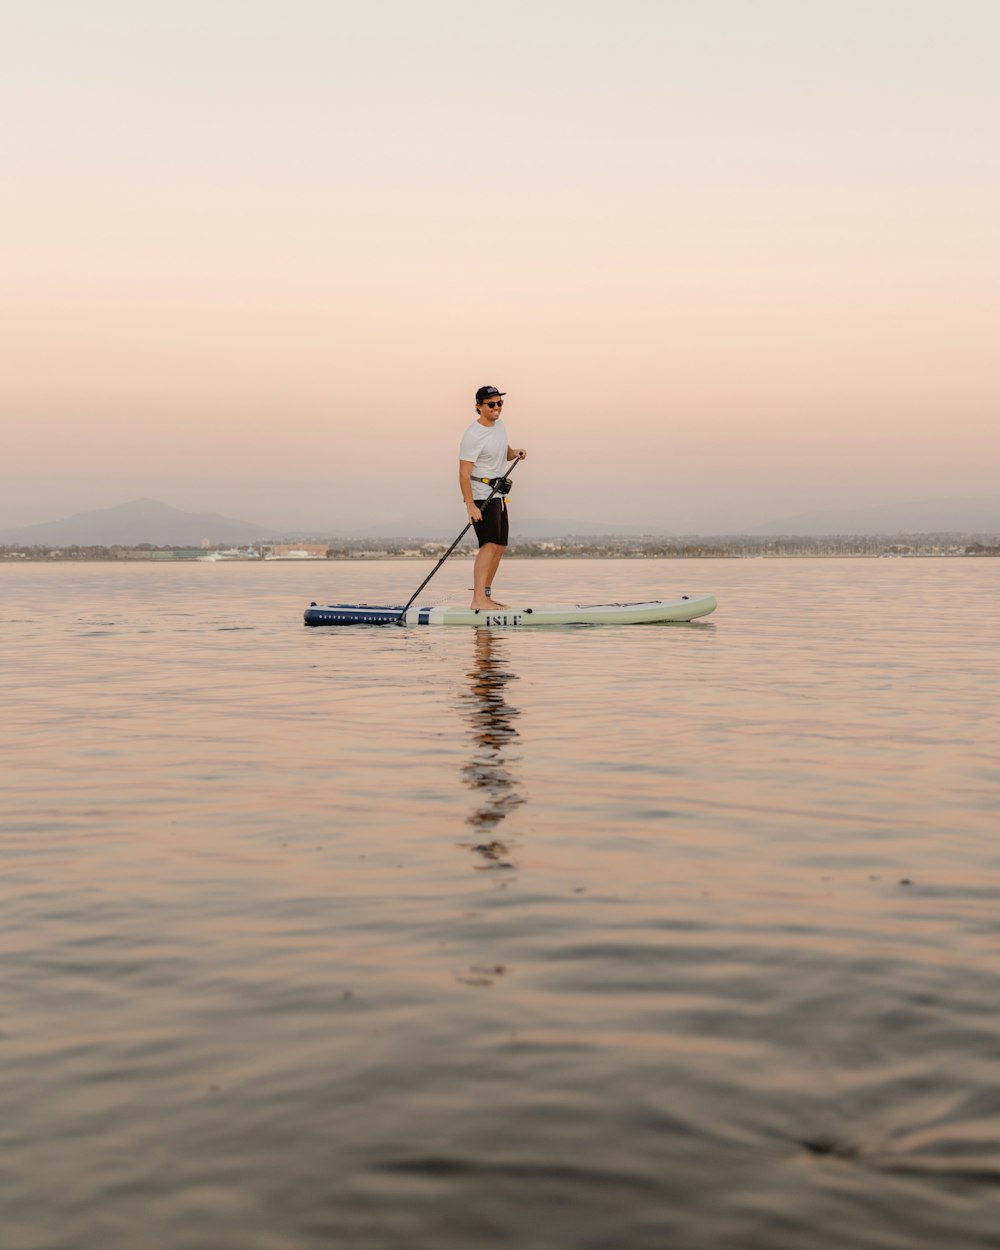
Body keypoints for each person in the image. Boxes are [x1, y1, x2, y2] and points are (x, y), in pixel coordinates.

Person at [459, 385, 527, 610]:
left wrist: (514, 452)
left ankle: (486, 596)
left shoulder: (500, 426)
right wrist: (470, 505)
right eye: (491, 404)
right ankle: (477, 599)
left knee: (500, 546)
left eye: (500, 403)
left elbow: (502, 452)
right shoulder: (472, 435)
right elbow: (464, 473)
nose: (497, 408)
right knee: (488, 545)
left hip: (498, 496)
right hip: (481, 496)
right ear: (479, 407)